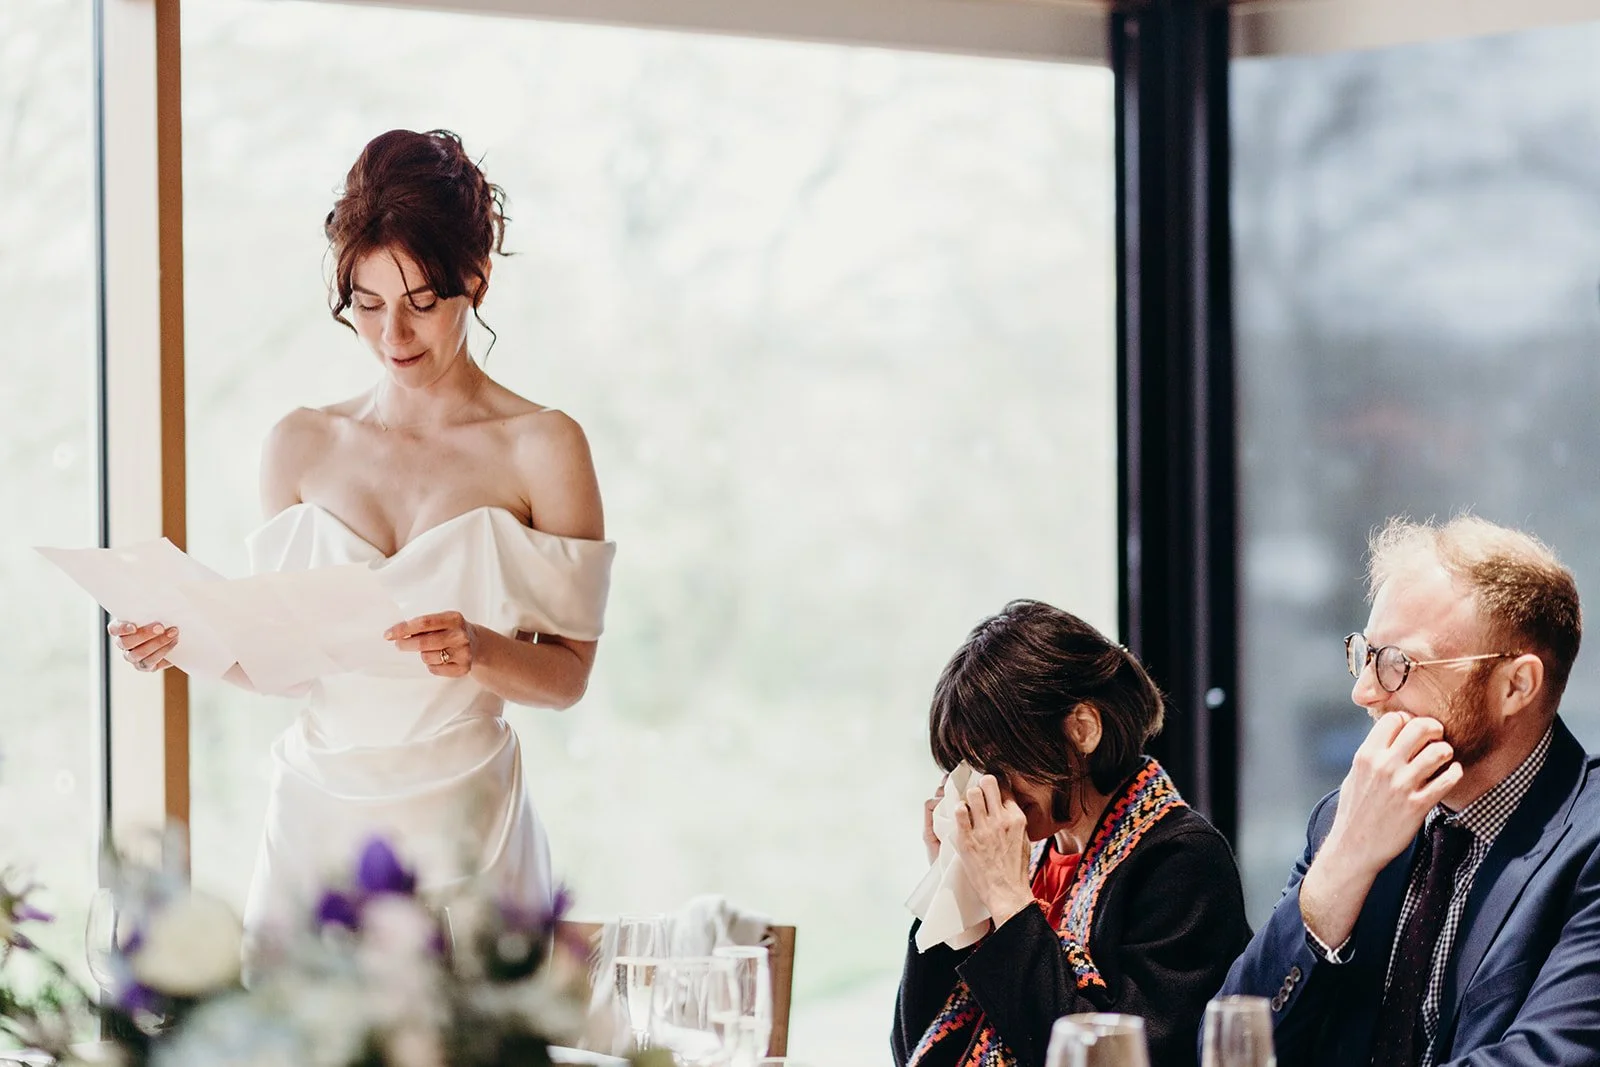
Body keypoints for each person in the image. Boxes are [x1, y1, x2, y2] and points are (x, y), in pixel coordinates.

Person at [109, 129, 614, 962]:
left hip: (467, 821)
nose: (394, 335)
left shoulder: (544, 446)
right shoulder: (299, 445)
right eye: (367, 305)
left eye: (420, 301)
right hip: (315, 816)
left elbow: (568, 675)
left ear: (476, 279)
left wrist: (477, 648)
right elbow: (292, 665)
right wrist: (184, 643)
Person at [1219, 515, 1600, 1066]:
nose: (1364, 691)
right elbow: (1235, 1044)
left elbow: (1544, 1059)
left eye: (1400, 664)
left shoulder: (1586, 842)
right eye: (1365, 655)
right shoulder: (1346, 820)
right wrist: (1343, 863)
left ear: (1516, 685)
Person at [893, 600, 1251, 1067]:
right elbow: (915, 1051)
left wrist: (1006, 899)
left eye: (999, 764)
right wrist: (951, 882)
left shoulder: (1182, 859)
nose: (987, 790)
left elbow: (1109, 1057)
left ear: (1082, 730)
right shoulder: (1035, 855)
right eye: (971, 770)